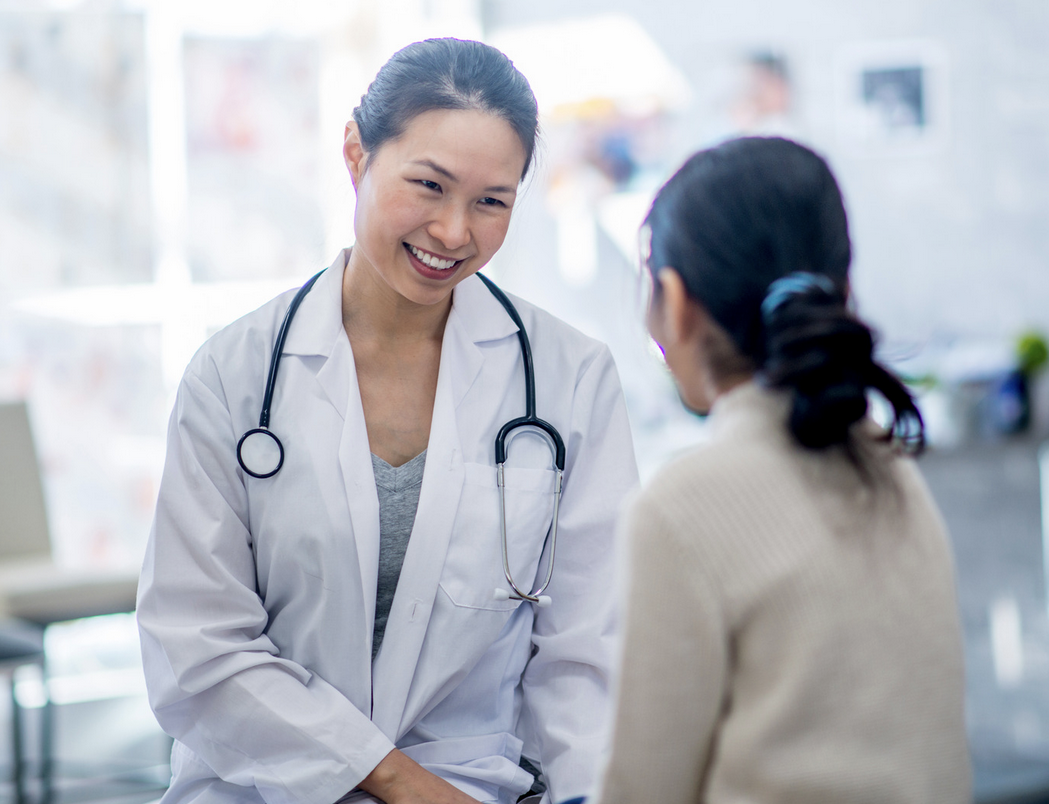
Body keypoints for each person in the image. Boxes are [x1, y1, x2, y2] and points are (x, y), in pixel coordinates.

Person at [137, 38, 639, 804]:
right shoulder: (232, 378)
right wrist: (399, 784)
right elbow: (196, 648)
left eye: (491, 201)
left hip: (481, 787)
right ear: (354, 153)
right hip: (264, 785)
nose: (452, 232)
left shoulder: (570, 380)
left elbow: (585, 654)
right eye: (429, 186)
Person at [593, 137, 970, 804]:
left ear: (673, 303)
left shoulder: (683, 509)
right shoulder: (887, 467)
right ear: (844, 292)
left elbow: (641, 790)